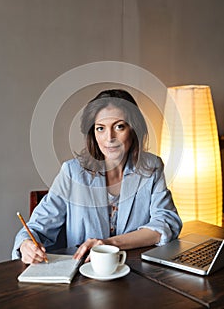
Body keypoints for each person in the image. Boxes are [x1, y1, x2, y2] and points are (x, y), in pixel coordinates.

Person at [12, 89, 182, 264]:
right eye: (100, 128)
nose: (110, 138)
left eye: (119, 127)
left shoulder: (151, 167)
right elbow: (35, 229)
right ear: (93, 133)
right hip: (83, 277)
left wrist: (108, 244)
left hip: (136, 274)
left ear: (134, 129)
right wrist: (25, 245)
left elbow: (167, 222)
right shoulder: (72, 172)